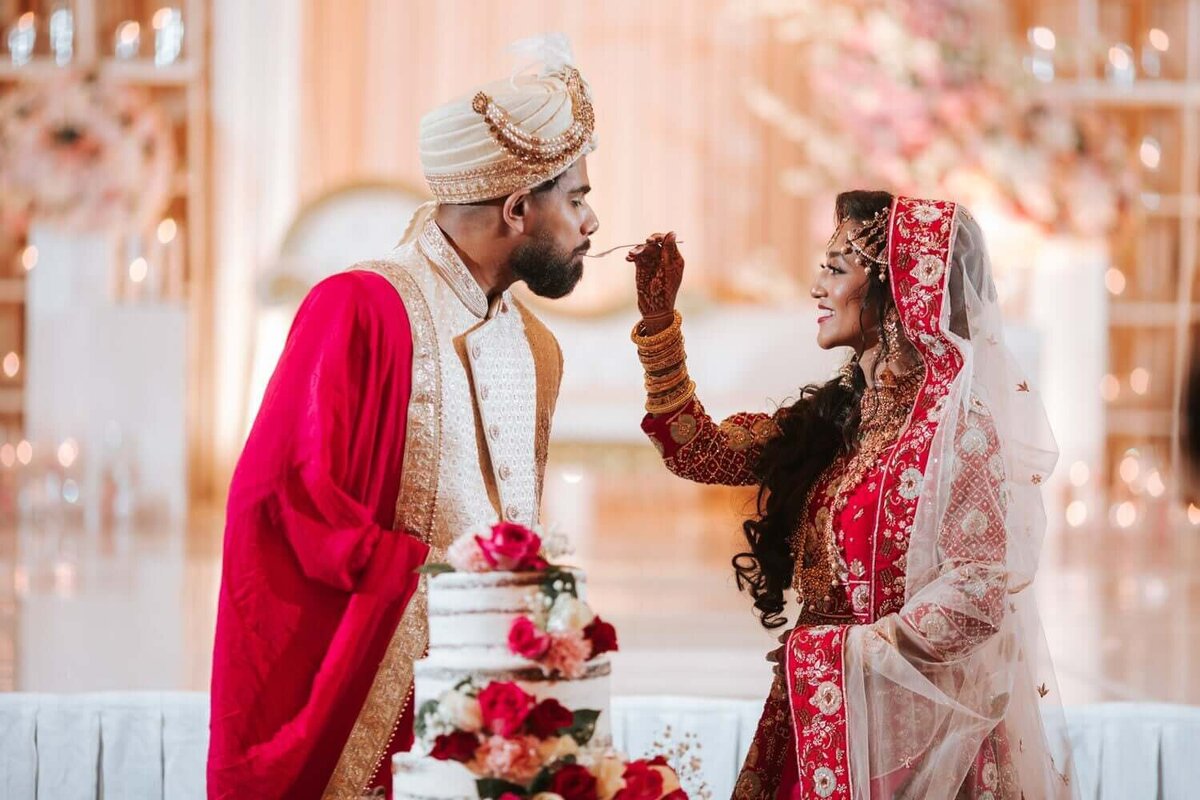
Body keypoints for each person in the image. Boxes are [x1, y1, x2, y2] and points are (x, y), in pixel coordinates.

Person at [207, 36, 599, 800]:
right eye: (576, 197)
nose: (592, 219)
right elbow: (286, 504)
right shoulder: (360, 309)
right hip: (379, 705)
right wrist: (443, 582)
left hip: (493, 712)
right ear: (517, 209)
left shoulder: (537, 349)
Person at [628, 193, 1075, 799]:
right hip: (820, 718)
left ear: (899, 296)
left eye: (837, 270)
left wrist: (847, 652)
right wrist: (658, 327)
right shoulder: (834, 421)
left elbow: (977, 591)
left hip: (915, 740)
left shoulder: (957, 428)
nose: (817, 286)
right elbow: (697, 449)